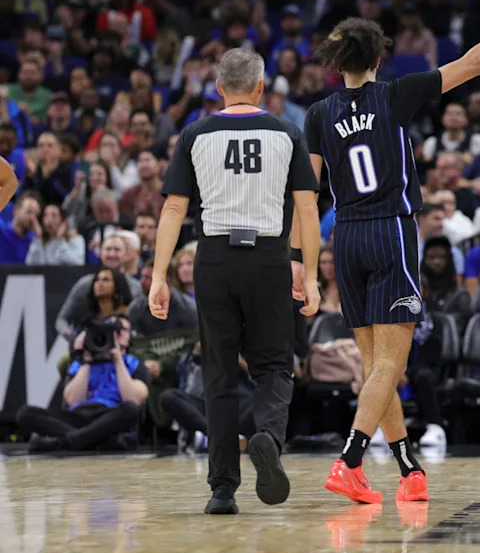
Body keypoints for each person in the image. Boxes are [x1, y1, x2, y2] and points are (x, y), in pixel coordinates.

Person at [301, 0, 480, 506]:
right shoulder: (395, 95)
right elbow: (474, 63)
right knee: (392, 362)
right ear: (379, 60)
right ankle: (350, 459)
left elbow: (305, 193)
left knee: (375, 364)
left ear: (338, 65)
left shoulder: (317, 115)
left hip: (345, 237)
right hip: (390, 229)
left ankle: (408, 467)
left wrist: (301, 260)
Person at [148, 48, 321, 515]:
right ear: (262, 87)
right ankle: (266, 434)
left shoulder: (195, 133)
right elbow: (307, 209)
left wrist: (160, 274)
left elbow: (172, 209)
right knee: (273, 366)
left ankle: (222, 490)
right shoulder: (287, 131)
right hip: (268, 256)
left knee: (219, 374)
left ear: (218, 88)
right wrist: (308, 269)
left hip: (214, 257)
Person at [17, 314, 149, 452]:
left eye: (122, 329)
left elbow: (133, 399)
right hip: (79, 415)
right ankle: (91, 440)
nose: (116, 333)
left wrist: (117, 359)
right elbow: (73, 400)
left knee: (131, 410)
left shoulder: (135, 364)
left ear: (129, 338)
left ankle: (65, 442)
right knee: (25, 413)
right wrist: (86, 359)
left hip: (110, 416)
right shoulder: (80, 363)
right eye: (112, 329)